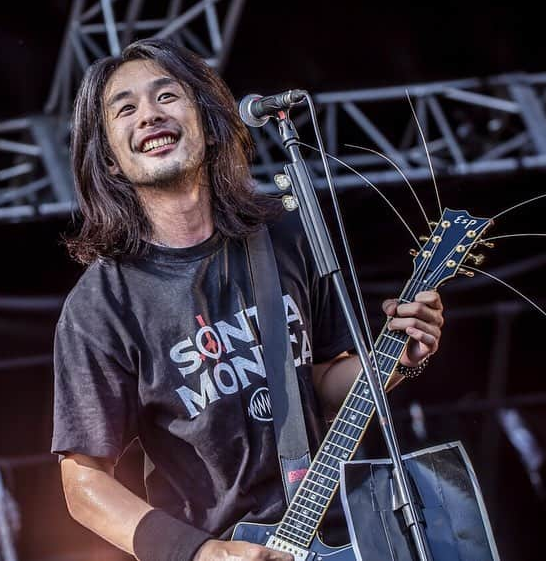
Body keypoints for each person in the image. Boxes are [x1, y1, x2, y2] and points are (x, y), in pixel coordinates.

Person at [51, 38, 445, 561]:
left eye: (167, 97)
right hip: (222, 546)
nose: (148, 115)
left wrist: (398, 360)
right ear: (113, 161)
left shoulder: (283, 237)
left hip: (344, 531)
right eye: (125, 109)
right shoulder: (100, 306)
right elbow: (83, 483)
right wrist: (201, 553)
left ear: (208, 124)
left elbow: (326, 383)